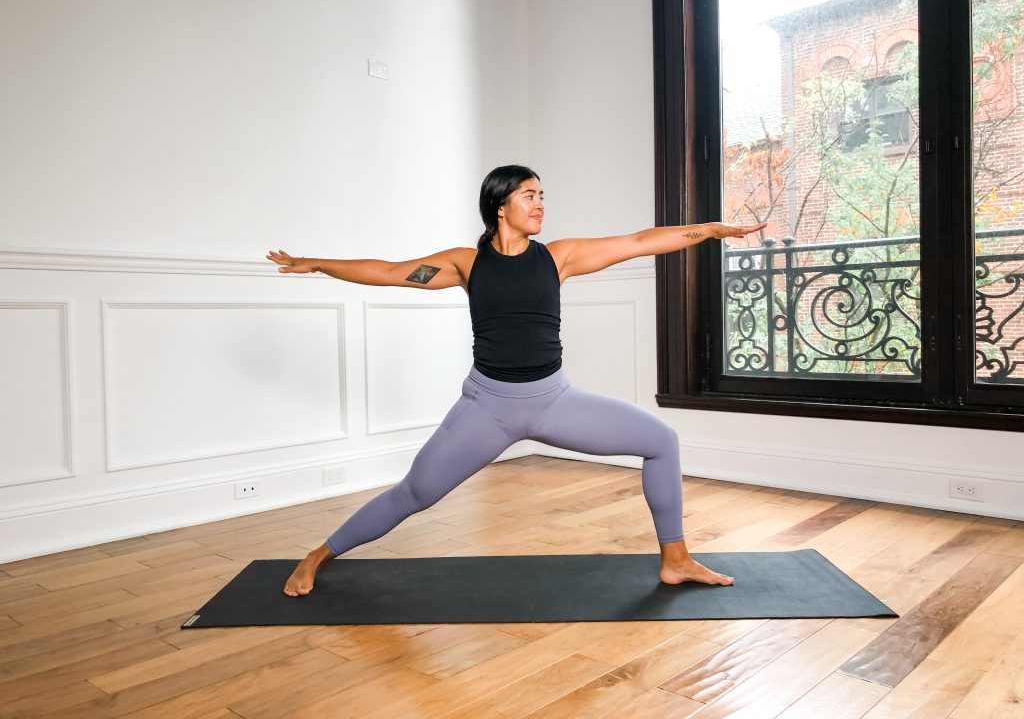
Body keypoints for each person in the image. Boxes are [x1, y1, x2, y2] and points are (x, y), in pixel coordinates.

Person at [267, 164, 767, 596]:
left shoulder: (558, 257)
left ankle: (676, 560)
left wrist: (706, 230)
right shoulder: (466, 264)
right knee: (414, 494)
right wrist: (318, 264)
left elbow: (637, 243)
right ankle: (318, 554)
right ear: (500, 206)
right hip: (487, 408)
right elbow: (392, 271)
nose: (540, 204)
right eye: (530, 195)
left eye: (542, 195)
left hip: (554, 400)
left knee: (661, 440)